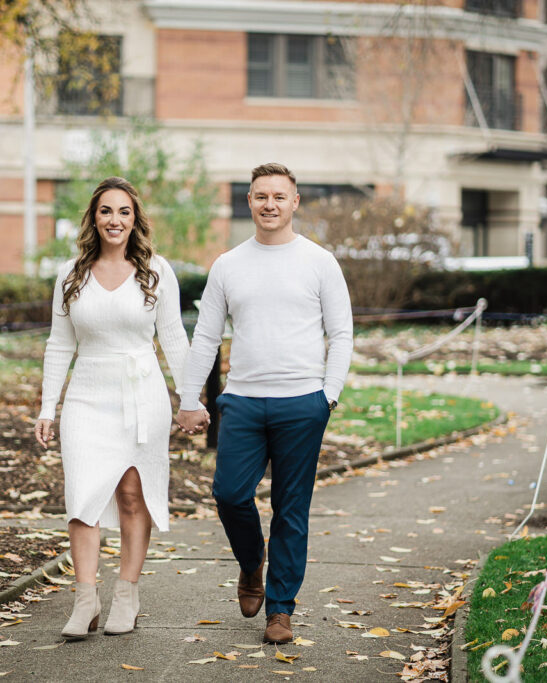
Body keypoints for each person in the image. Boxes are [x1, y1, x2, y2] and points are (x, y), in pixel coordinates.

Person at [175, 163, 352, 644]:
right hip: (243, 401)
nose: (269, 204)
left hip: (303, 402)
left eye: (278, 196)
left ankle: (280, 610)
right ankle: (252, 563)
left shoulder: (319, 262)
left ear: (295, 202)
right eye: (260, 196)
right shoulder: (228, 264)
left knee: (291, 510)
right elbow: (206, 336)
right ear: (249, 201)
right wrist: (189, 397)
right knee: (230, 495)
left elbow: (341, 333)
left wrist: (328, 395)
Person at [34, 176, 200, 640]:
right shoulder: (71, 274)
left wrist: (190, 399)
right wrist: (48, 407)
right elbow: (58, 344)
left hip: (141, 392)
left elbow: (173, 337)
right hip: (87, 395)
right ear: (94, 217)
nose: (115, 219)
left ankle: (127, 594)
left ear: (135, 219)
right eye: (106, 211)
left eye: (124, 211)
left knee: (132, 494)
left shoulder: (156, 271)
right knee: (82, 496)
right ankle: (85, 598)